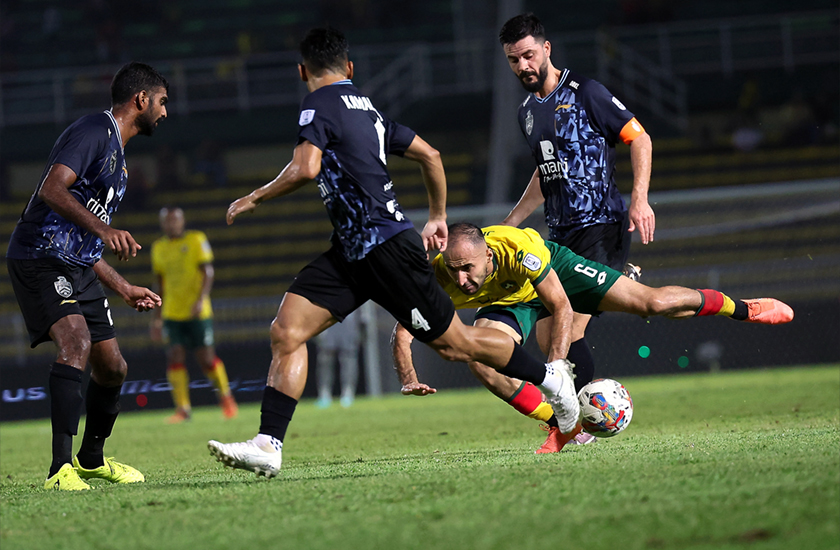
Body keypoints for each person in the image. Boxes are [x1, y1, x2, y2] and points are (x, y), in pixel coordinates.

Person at [207, 27, 580, 479]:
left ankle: (551, 380)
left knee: (456, 345)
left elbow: (306, 167)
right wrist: (437, 214)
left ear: (302, 71)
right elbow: (431, 155)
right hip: (350, 251)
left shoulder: (317, 104)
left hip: (384, 246)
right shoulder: (369, 110)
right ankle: (269, 444)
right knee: (286, 332)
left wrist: (255, 197)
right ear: (348, 68)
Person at [392, 223, 794, 453]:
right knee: (479, 358)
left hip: (555, 276)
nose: (461, 278)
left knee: (651, 304)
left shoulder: (519, 249)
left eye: (468, 268)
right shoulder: (440, 276)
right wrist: (408, 378)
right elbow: (403, 331)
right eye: (455, 268)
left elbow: (562, 308)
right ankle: (564, 424)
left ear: (489, 256)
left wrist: (557, 372)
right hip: (510, 301)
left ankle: (741, 307)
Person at [5, 61, 168, 490]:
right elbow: (51, 189)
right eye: (162, 102)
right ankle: (59, 470)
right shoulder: (94, 131)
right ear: (141, 100)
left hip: (76, 264)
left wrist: (124, 287)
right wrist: (105, 228)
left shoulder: (120, 163)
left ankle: (91, 459)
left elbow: (87, 245)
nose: (165, 112)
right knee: (76, 341)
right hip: (39, 255)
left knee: (113, 367)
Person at [498, 13, 655, 408]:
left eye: (529, 55)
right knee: (545, 335)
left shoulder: (586, 92)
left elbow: (639, 138)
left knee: (563, 334)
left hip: (601, 224)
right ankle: (590, 409)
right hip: (562, 234)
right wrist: (511, 222)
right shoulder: (527, 113)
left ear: (546, 49)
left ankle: (582, 422)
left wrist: (639, 198)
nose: (524, 66)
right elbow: (545, 171)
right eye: (514, 60)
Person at [150, 206, 238, 423]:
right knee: (175, 356)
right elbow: (159, 282)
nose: (172, 224)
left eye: (175, 220)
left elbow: (208, 271)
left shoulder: (196, 239)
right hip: (172, 312)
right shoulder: (158, 247)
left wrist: (201, 300)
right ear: (162, 224)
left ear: (182, 221)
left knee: (206, 358)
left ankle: (226, 397)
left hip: (198, 311)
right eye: (167, 221)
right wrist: (156, 317)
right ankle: (183, 408)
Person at [315, 305, 365, 408]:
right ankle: (324, 394)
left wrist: (363, 321)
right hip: (328, 322)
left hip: (349, 323)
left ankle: (348, 393)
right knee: (325, 360)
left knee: (349, 359)